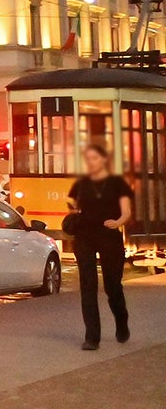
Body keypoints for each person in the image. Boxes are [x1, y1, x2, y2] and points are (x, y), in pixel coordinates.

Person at [67, 141, 134, 351]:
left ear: (104, 159)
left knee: (112, 285)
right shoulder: (81, 183)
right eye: (88, 159)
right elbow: (71, 206)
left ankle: (121, 320)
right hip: (85, 236)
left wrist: (118, 222)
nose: (91, 162)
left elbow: (126, 212)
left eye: (95, 158)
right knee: (88, 286)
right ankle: (92, 337)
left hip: (109, 236)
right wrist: (74, 212)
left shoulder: (117, 183)